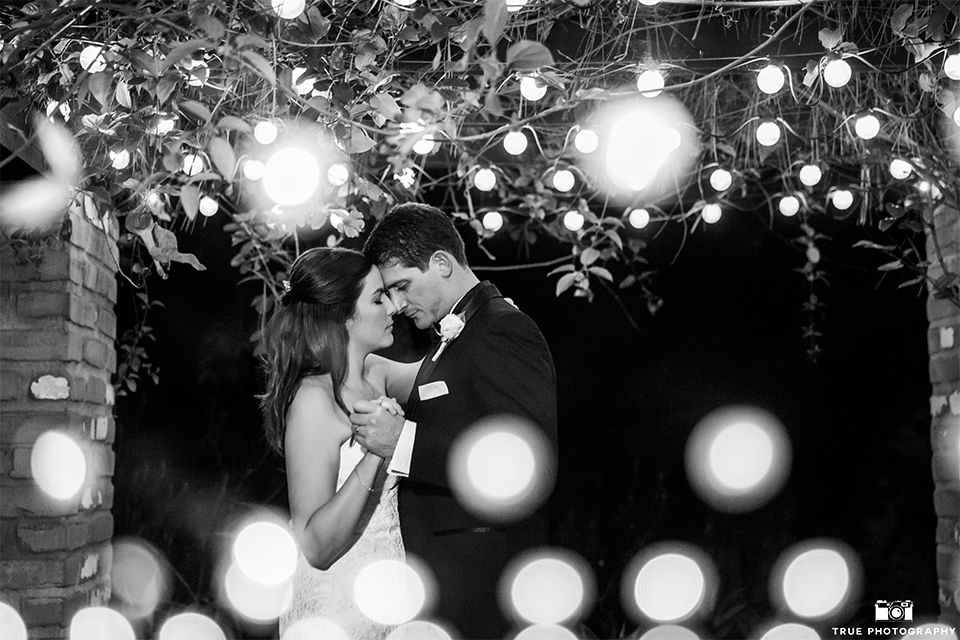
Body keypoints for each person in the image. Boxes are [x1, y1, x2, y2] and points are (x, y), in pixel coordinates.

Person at [352, 203, 559, 639]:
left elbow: (527, 462)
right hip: (448, 578)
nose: (396, 304)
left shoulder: (503, 329)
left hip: (486, 578)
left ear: (442, 263)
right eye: (388, 293)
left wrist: (402, 442)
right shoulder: (453, 336)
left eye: (401, 286)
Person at [258, 247, 420, 640]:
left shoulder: (377, 373)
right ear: (344, 316)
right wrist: (374, 454)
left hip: (387, 598)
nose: (393, 307)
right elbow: (315, 545)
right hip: (334, 610)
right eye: (378, 297)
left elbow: (453, 372)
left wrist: (481, 323)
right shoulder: (314, 400)